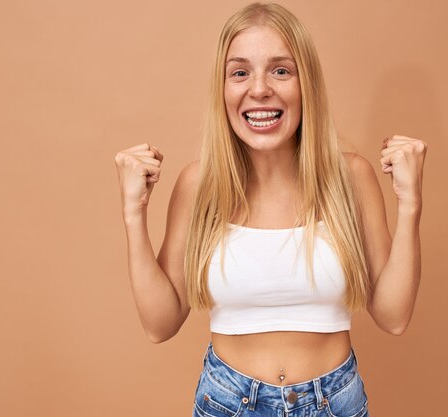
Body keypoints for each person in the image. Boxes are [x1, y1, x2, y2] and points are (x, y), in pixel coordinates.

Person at [114, 2, 426, 416]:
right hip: (227, 402)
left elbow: (394, 317)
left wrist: (410, 205)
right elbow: (160, 324)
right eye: (240, 72)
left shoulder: (350, 178)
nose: (259, 89)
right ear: (222, 89)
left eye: (281, 70)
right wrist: (134, 213)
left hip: (334, 403)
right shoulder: (199, 185)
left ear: (305, 85)